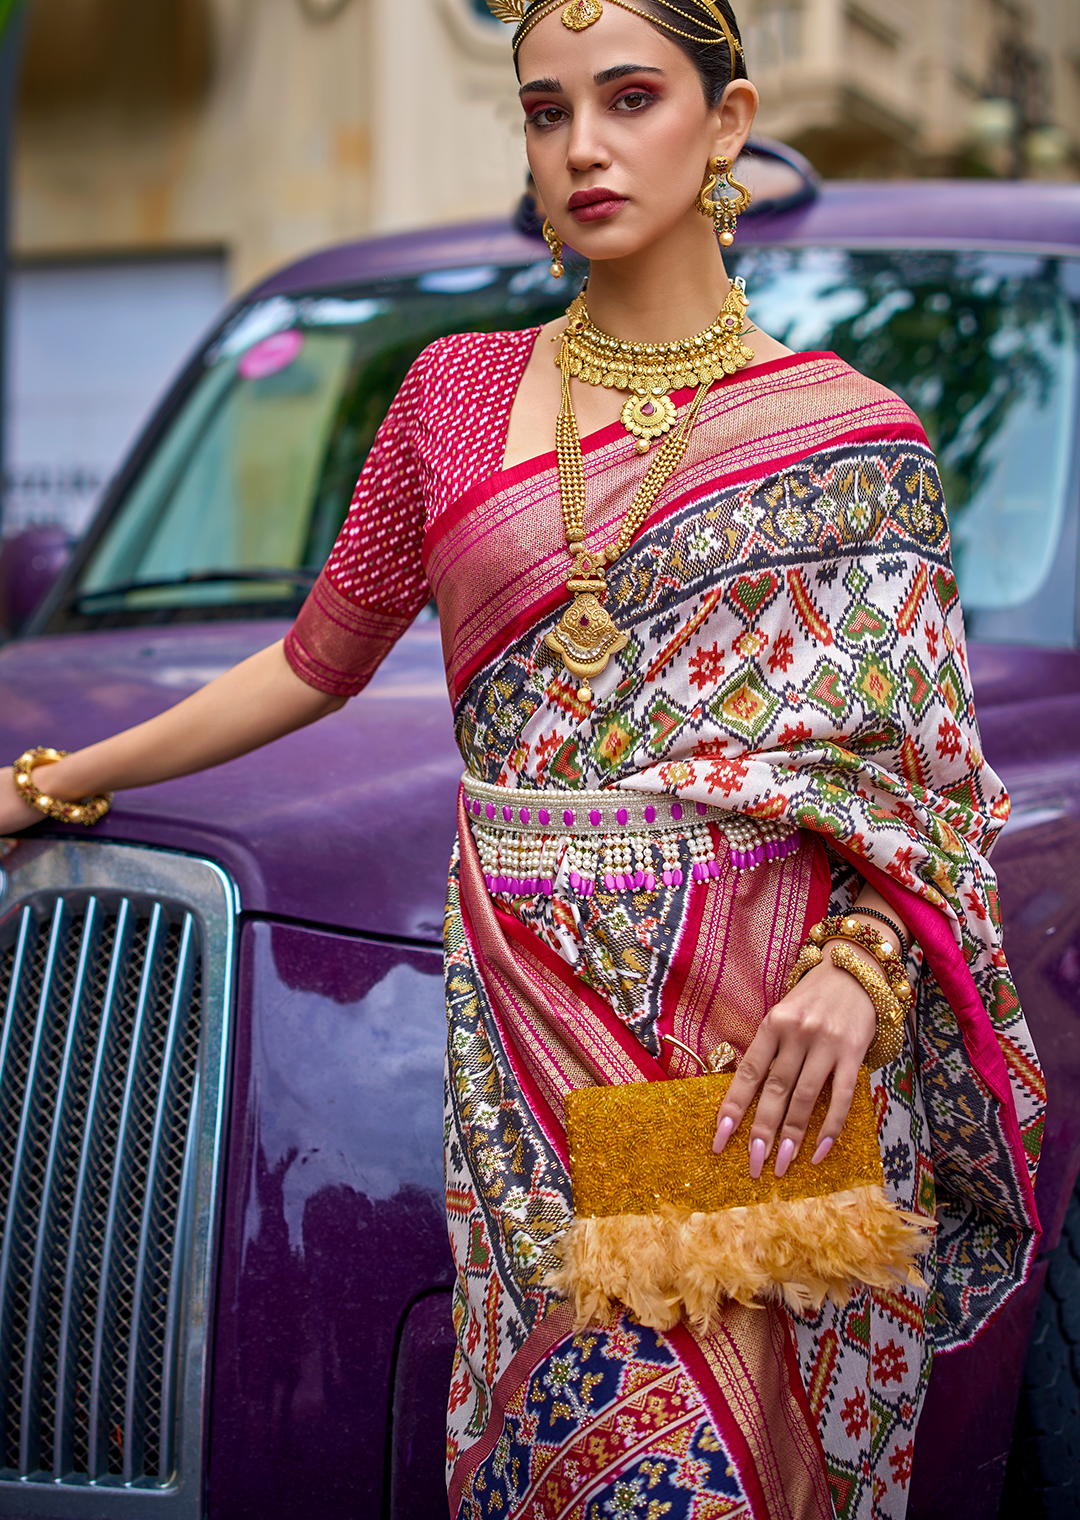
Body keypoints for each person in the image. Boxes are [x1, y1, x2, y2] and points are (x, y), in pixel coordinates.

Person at [1, 1, 1043, 1514]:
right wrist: (52, 779)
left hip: (754, 1043)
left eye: (631, 99)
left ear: (729, 120)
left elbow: (929, 785)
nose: (586, 147)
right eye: (547, 113)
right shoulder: (451, 398)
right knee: (569, 1444)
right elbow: (313, 664)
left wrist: (862, 965)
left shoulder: (850, 441)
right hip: (534, 1022)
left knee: (724, 1465)